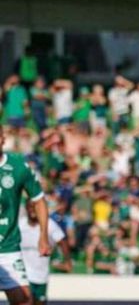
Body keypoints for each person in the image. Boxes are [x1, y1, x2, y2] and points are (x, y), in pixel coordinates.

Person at [0, 125, 50, 304]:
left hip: (8, 249)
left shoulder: (18, 167)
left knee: (24, 300)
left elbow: (39, 200)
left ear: (3, 139)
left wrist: (43, 236)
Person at [20, 201, 72, 305]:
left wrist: (67, 261)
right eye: (30, 207)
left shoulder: (49, 224)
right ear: (26, 209)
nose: (32, 210)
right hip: (24, 274)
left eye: (35, 207)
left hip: (41, 275)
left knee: (40, 302)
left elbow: (62, 241)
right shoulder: (20, 225)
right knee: (26, 301)